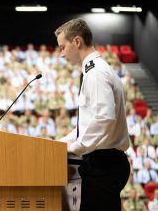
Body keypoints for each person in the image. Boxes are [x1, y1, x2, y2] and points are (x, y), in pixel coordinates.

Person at [55, 19, 130, 210]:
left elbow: (104, 118)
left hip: (104, 164)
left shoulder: (95, 73)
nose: (61, 53)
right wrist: (60, 143)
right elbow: (90, 123)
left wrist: (77, 147)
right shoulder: (96, 69)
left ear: (77, 42)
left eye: (63, 47)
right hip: (105, 163)